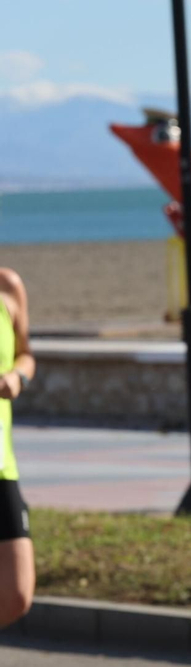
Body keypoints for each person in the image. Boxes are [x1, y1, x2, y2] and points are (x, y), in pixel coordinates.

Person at [0, 266, 36, 629]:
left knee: (17, 593)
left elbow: (26, 354)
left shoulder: (7, 285)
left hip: (1, 461)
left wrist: (17, 376)